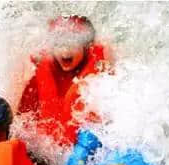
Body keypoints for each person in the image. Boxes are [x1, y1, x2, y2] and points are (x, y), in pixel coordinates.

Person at [17, 15, 111, 147]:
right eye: (59, 44)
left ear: (86, 46)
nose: (65, 51)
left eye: (73, 44)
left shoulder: (99, 76)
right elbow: (22, 120)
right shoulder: (39, 75)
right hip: (48, 152)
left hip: (85, 150)